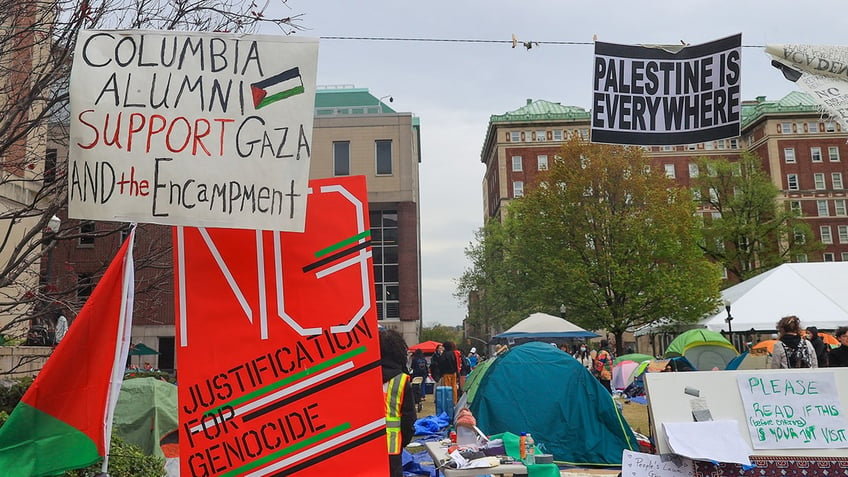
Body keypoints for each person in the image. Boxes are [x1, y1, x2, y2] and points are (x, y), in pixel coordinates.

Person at [379, 328, 417, 477]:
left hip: (364, 448)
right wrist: (403, 441)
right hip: (392, 449)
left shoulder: (361, 378)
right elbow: (409, 420)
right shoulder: (401, 381)